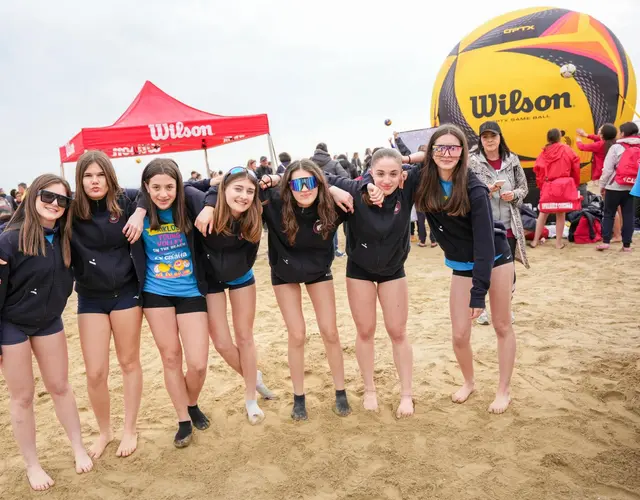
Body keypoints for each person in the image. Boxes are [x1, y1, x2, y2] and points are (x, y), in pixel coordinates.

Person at [405, 124, 515, 414]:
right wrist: (412, 158)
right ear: (431, 151)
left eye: (454, 147)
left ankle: (503, 390)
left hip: (494, 259)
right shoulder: (422, 178)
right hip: (460, 265)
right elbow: (383, 168)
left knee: (502, 325)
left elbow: (484, 243)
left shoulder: (474, 186)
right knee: (459, 334)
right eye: (440, 147)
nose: (447, 153)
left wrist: (478, 293)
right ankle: (469, 382)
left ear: (463, 152)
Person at [0, 174, 93, 491]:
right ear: (31, 195)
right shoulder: (9, 240)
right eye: (47, 196)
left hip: (49, 320)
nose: (54, 204)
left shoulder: (66, 238)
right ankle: (32, 465)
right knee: (23, 397)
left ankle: (78, 446)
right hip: (10, 323)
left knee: (60, 386)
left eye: (62, 200)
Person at [326, 148, 419, 418]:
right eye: (380, 174)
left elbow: (436, 156)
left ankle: (406, 395)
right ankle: (369, 389)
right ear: (369, 172)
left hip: (393, 269)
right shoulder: (355, 188)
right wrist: (336, 190)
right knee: (365, 331)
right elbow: (315, 174)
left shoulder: (407, 185)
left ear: (402, 175)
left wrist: (407, 162)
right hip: (360, 270)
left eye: (393, 174)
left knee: (398, 332)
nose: (386, 180)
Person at [257, 160, 353, 420]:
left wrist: (332, 189)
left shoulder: (331, 205)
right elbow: (238, 187)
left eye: (310, 182)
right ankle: (299, 398)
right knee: (297, 334)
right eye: (297, 183)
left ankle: (340, 391)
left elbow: (360, 186)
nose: (304, 189)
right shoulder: (274, 203)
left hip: (318, 270)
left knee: (330, 331)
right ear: (289, 186)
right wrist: (274, 178)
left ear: (318, 183)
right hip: (284, 271)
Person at [67, 151, 147, 459]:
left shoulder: (125, 201)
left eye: (100, 175)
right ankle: (105, 431)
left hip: (126, 293)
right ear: (81, 180)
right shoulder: (70, 210)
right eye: (88, 176)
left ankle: (130, 428)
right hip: (90, 297)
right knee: (95, 372)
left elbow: (147, 189)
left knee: (129, 363)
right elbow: (28, 217)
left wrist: (139, 213)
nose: (95, 181)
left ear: (109, 177)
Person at [187, 167, 276, 425]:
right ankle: (254, 377)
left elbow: (284, 181)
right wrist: (210, 200)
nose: (244, 196)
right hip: (211, 279)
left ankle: (251, 399)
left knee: (245, 337)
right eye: (237, 189)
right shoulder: (205, 204)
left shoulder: (255, 212)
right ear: (224, 188)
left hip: (241, 277)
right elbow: (181, 187)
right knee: (223, 344)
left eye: (250, 191)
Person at [138, 159, 211, 448]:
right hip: (156, 292)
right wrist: (138, 211)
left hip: (191, 290)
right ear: (146, 187)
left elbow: (213, 189)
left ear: (178, 185)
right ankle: (183, 419)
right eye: (155, 187)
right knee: (171, 357)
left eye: (169, 186)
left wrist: (210, 206)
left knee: (198, 363)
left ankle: (191, 402)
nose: (163, 193)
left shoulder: (190, 203)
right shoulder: (137, 209)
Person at [469, 121, 529, 326]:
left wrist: (514, 195)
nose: (489, 140)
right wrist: (484, 190)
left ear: (500, 137)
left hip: (509, 226)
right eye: (485, 137)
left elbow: (523, 187)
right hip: (483, 225)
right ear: (480, 140)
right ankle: (481, 309)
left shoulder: (512, 160)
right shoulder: (472, 162)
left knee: (508, 271)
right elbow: (465, 190)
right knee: (482, 269)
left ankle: (504, 309)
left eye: (493, 136)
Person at [531, 128, 581, 249]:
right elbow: (576, 164)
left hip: (548, 184)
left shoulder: (544, 153)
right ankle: (558, 243)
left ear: (548, 139)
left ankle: (534, 241)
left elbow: (538, 169)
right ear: (559, 138)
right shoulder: (566, 149)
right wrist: (575, 182)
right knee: (561, 214)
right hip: (563, 184)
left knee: (543, 213)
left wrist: (542, 185)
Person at [597, 121, 640, 252]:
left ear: (623, 133)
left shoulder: (616, 147)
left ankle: (605, 242)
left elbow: (608, 169)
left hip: (614, 185)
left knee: (609, 213)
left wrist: (602, 185)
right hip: (632, 186)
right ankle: (626, 245)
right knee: (628, 215)